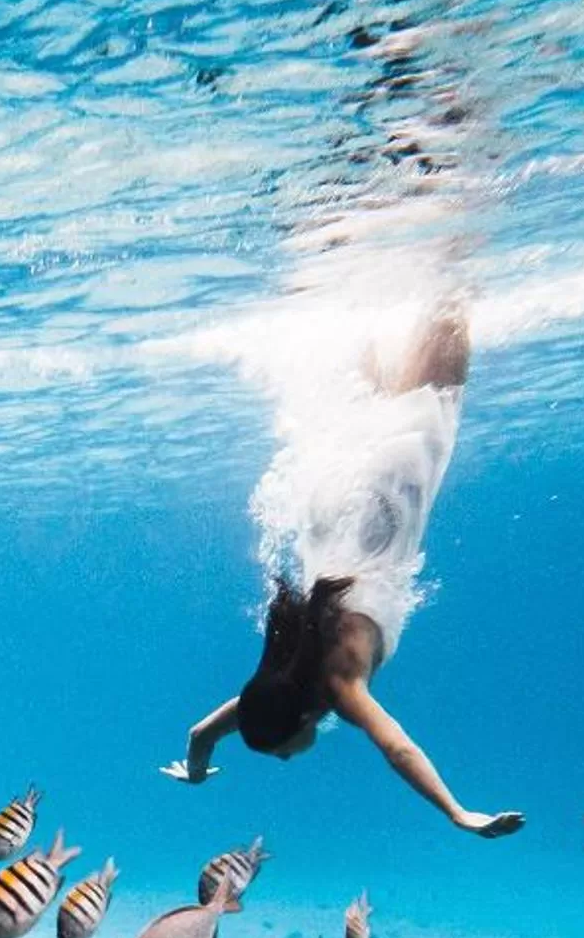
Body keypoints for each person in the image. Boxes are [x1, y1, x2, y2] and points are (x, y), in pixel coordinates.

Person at [165, 302, 523, 838]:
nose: (287, 761)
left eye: (284, 753)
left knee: (438, 389)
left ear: (305, 722)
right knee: (378, 413)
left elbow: (397, 747)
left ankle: (448, 278)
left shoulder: (337, 685)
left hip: (386, 507)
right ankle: (362, 302)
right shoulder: (272, 688)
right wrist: (194, 774)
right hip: (339, 510)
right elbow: (200, 735)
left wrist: (457, 813)